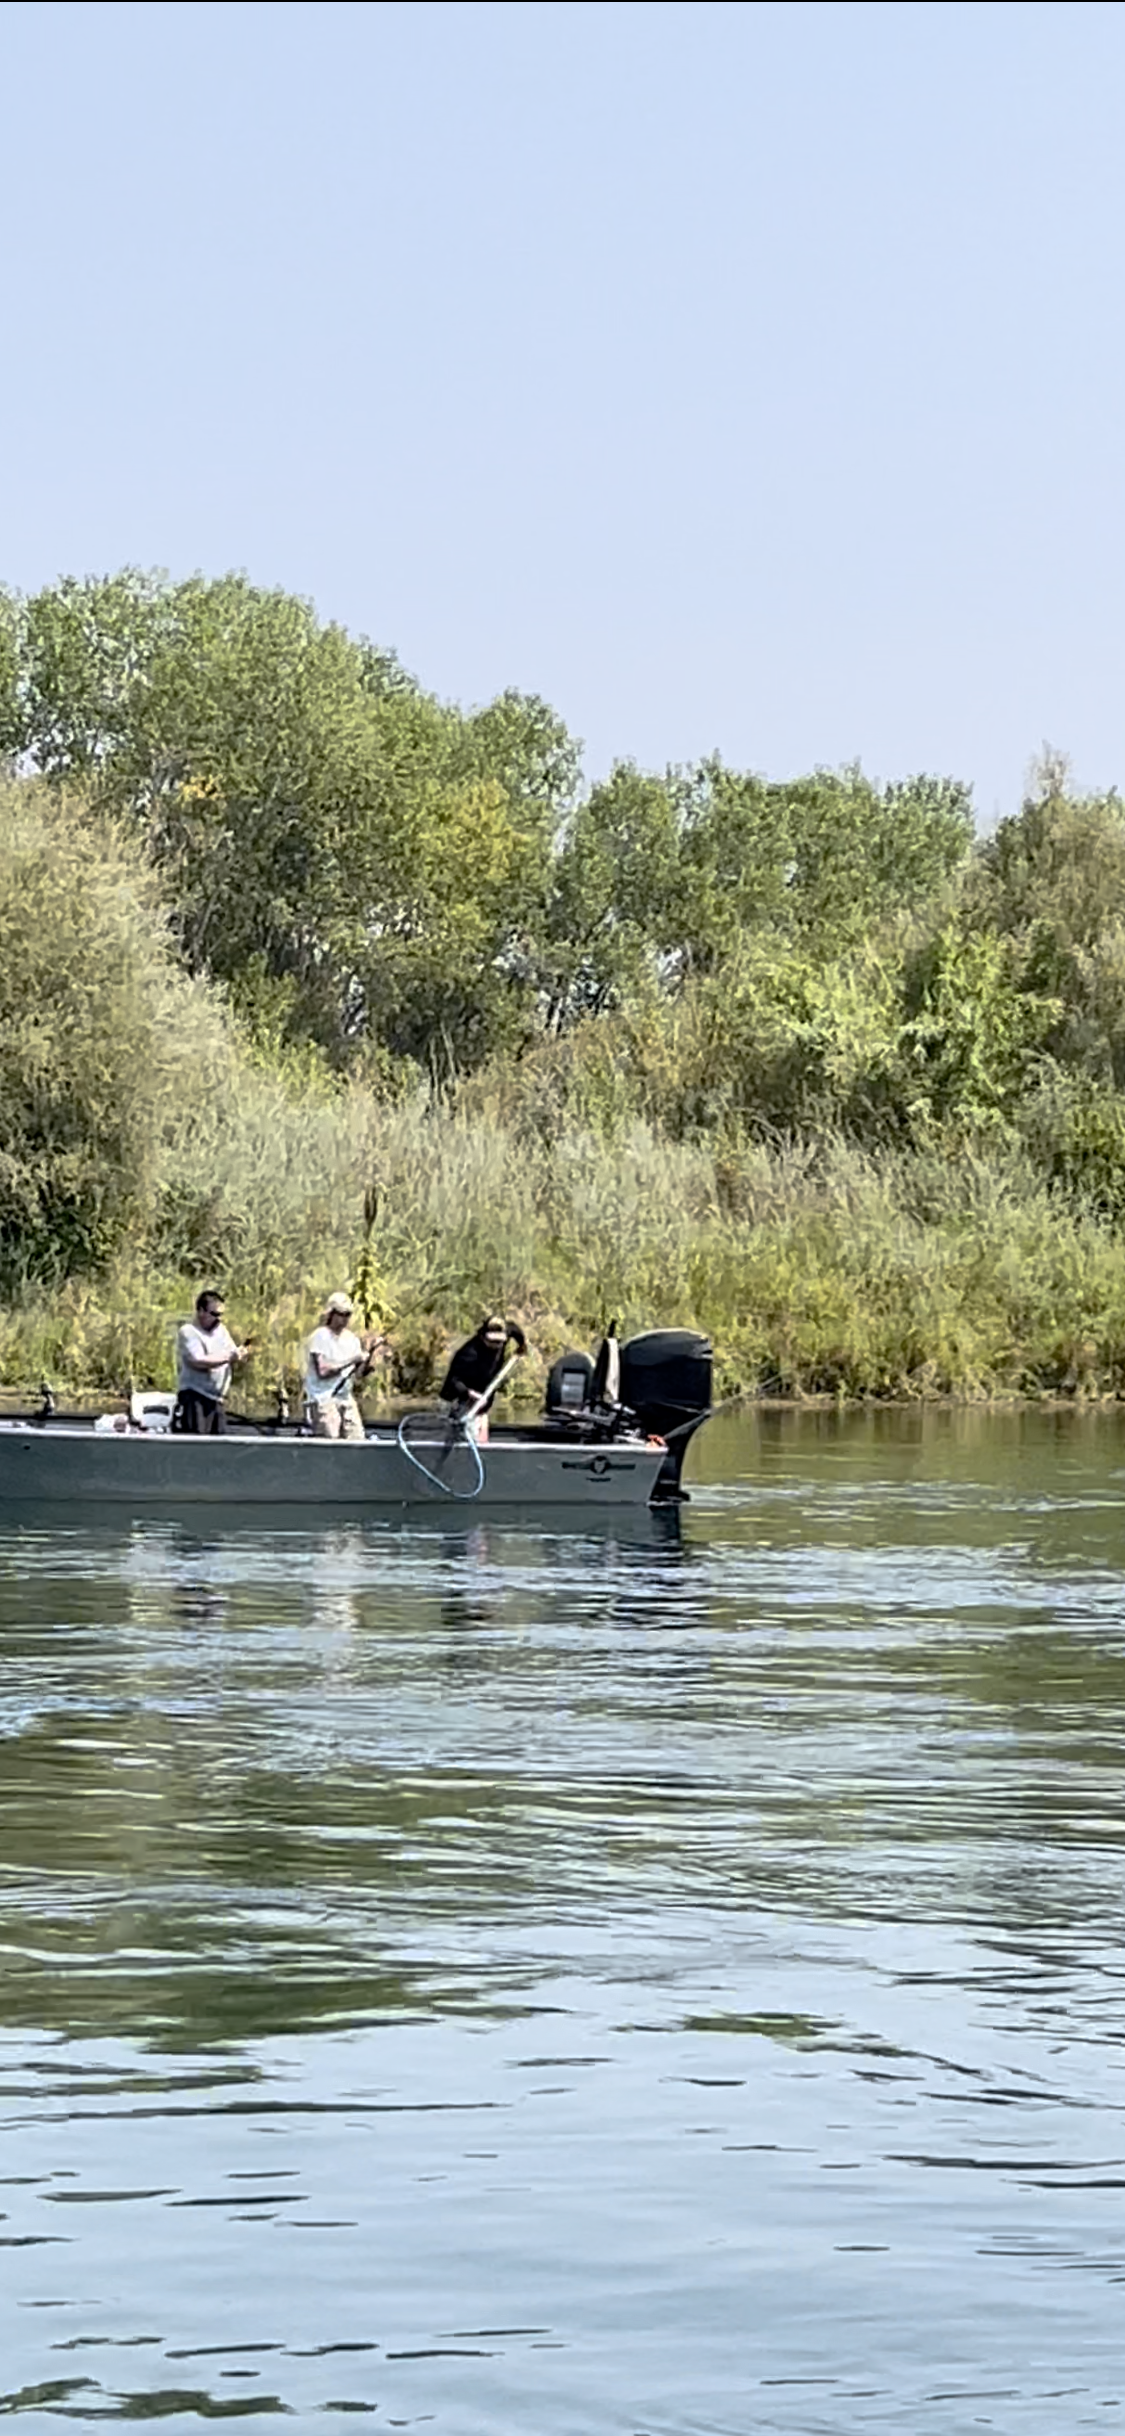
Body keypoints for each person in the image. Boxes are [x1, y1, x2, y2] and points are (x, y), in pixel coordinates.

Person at [304, 1291, 386, 1440]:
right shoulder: (320, 1336)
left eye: (348, 1314)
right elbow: (323, 1371)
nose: (345, 1318)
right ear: (331, 1314)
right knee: (331, 1440)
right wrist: (352, 1359)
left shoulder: (352, 1339)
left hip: (346, 1399)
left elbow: (358, 1374)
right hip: (323, 1399)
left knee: (357, 1440)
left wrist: (370, 1358)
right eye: (341, 1314)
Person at [174, 1290, 251, 1434]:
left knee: (219, 1448)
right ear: (201, 1311)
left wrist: (241, 1354)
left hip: (216, 1400)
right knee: (196, 1447)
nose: (219, 1319)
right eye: (214, 1314)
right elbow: (197, 1360)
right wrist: (229, 1357)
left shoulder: (221, 1331)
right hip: (195, 1398)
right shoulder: (188, 1332)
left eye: (221, 1315)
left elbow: (232, 1352)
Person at [439, 1315, 527, 1438]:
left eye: (500, 1342)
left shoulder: (505, 1331)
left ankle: (482, 1445)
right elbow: (454, 1381)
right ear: (483, 1337)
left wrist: (522, 1344)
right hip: (459, 1395)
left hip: (484, 1388)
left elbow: (515, 1330)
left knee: (482, 1417)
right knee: (461, 1432)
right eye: (492, 1342)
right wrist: (470, 1394)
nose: (496, 1345)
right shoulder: (468, 1353)